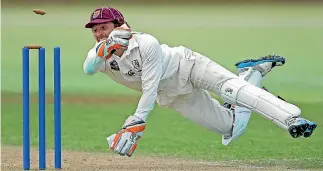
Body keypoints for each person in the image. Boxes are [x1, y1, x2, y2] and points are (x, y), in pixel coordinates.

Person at [83, 7, 317, 157]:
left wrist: (137, 121)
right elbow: (88, 68)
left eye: (103, 28)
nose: (99, 34)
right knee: (230, 128)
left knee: (236, 91)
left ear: (120, 26)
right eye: (95, 30)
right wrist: (104, 51)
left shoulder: (146, 43)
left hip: (189, 65)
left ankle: (292, 118)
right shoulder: (100, 55)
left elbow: (150, 85)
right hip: (175, 95)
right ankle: (251, 73)